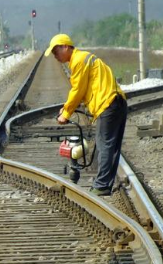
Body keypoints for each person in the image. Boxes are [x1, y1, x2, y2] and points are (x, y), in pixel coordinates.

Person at [45, 33, 128, 196]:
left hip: (108, 103)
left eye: (56, 51)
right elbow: (83, 90)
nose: (55, 56)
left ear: (66, 47)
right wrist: (66, 107)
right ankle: (104, 185)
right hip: (118, 102)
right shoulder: (83, 58)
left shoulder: (78, 60)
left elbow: (78, 90)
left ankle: (102, 185)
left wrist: (66, 113)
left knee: (104, 145)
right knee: (111, 146)